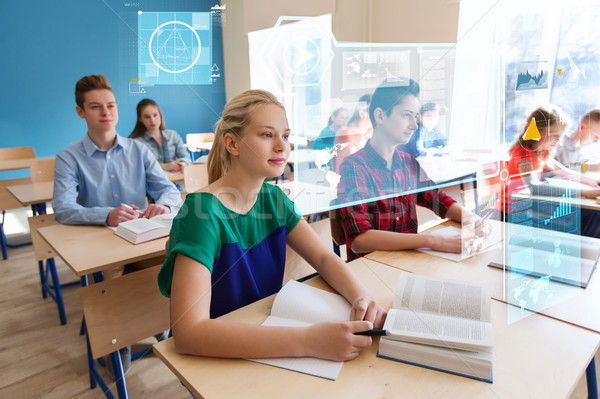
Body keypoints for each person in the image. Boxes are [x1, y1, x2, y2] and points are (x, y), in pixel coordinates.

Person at [158, 89, 386, 361]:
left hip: (267, 334)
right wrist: (309, 341)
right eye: (267, 135)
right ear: (232, 144)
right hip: (217, 355)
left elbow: (324, 258)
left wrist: (361, 297)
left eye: (286, 135)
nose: (281, 146)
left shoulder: (274, 199)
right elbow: (189, 333)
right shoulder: (199, 213)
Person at [336, 79, 489, 261]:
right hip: (373, 270)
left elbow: (439, 200)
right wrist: (433, 240)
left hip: (409, 263)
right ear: (380, 116)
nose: (415, 125)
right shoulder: (353, 167)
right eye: (407, 115)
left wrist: (473, 219)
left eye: (415, 117)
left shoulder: (408, 163)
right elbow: (360, 240)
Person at [53, 75, 181, 228]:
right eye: (95, 107)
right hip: (93, 240)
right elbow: (63, 208)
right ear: (80, 112)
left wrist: (164, 206)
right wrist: (105, 215)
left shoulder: (139, 150)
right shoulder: (68, 157)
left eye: (111, 105)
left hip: (138, 235)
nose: (106, 112)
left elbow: (169, 190)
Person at [499, 105, 600, 225]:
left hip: (526, 209)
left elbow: (564, 172)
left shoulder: (542, 152)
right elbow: (534, 186)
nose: (558, 140)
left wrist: (593, 181)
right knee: (571, 224)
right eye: (554, 135)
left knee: (574, 222)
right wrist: (585, 193)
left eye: (560, 136)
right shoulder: (522, 153)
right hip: (510, 214)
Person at [129, 98, 192, 173]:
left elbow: (186, 157)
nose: (152, 120)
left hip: (175, 180)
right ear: (140, 119)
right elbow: (137, 167)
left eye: (155, 115)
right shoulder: (136, 142)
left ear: (160, 114)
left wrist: (182, 164)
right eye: (147, 117)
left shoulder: (173, 135)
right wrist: (165, 166)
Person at [334, 94, 373, 173]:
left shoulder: (369, 133)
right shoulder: (345, 133)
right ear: (362, 113)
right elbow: (350, 167)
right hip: (349, 181)